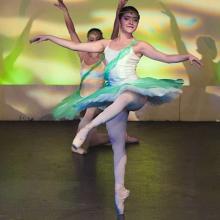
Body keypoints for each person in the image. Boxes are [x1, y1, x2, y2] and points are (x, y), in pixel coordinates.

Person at [30, 5, 201, 217]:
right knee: (117, 144)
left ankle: (87, 129)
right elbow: (75, 43)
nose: (131, 21)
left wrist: (186, 56)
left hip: (137, 91)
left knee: (126, 94)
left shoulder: (139, 45)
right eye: (127, 18)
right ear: (119, 20)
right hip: (114, 95)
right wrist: (48, 37)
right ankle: (119, 190)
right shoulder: (106, 44)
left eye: (135, 19)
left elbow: (164, 57)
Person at [52, 0, 138, 155]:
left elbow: (115, 32)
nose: (95, 41)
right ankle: (120, 138)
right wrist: (65, 11)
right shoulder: (82, 55)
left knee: (91, 121)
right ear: (88, 41)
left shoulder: (106, 55)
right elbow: (72, 32)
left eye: (97, 38)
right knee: (94, 139)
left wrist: (119, 8)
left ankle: (80, 146)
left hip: (99, 98)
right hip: (83, 98)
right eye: (91, 39)